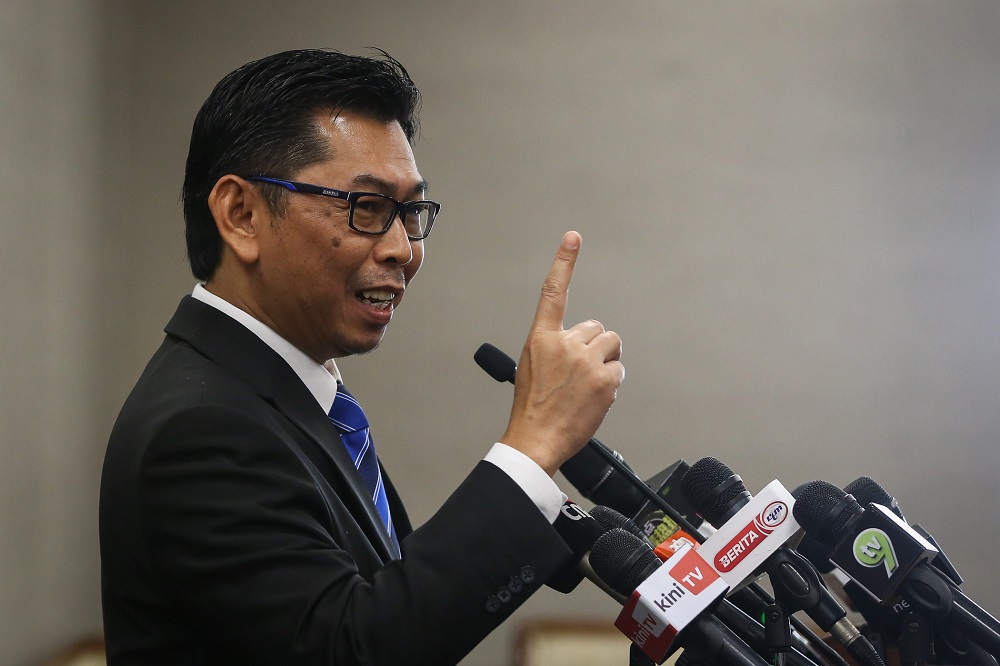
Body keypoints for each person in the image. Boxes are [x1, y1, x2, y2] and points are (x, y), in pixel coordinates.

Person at [99, 48, 624, 665]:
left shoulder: (293, 396)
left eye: (411, 212)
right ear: (241, 215)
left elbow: (382, 597)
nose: (404, 248)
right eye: (368, 208)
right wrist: (533, 446)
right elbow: (354, 648)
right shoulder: (201, 427)